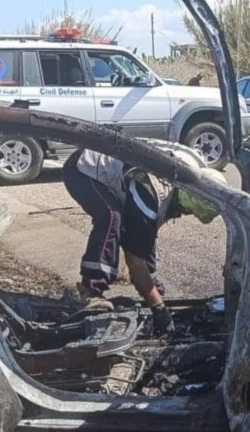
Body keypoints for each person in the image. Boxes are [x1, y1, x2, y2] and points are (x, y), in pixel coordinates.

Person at [62, 141, 225, 333]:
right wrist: (158, 308)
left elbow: (144, 238)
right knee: (111, 217)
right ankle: (91, 291)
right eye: (182, 211)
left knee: (141, 231)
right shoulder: (151, 194)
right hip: (83, 168)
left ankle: (152, 287)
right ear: (182, 203)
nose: (179, 215)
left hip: (113, 163)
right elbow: (135, 260)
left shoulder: (195, 170)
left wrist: (153, 288)